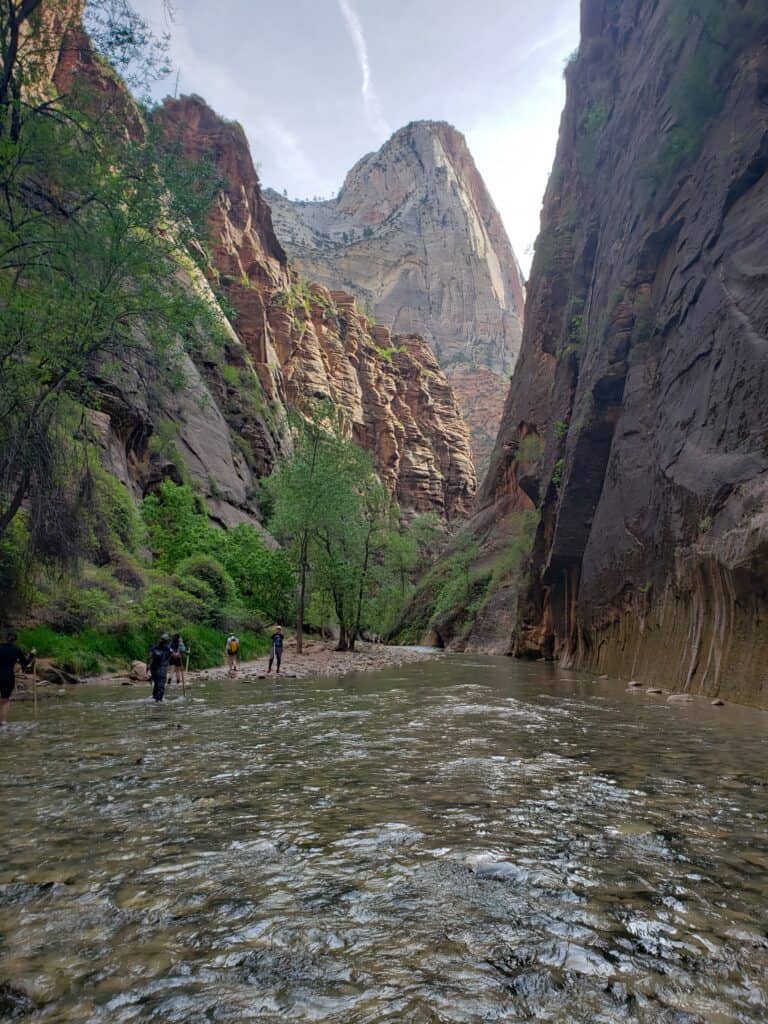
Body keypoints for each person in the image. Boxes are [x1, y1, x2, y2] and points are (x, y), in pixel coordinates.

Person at [0, 633, 32, 726]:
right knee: (5, 699)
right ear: (15, 640)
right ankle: (3, 722)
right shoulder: (16, 650)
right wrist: (32, 655)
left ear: (4, 638)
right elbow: (25, 663)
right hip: (8, 676)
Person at [147, 633, 171, 702]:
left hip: (153, 669)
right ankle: (158, 704)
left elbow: (149, 658)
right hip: (161, 669)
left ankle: (154, 699)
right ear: (166, 642)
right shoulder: (168, 649)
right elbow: (174, 655)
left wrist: (148, 668)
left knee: (157, 685)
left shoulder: (154, 648)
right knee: (160, 687)